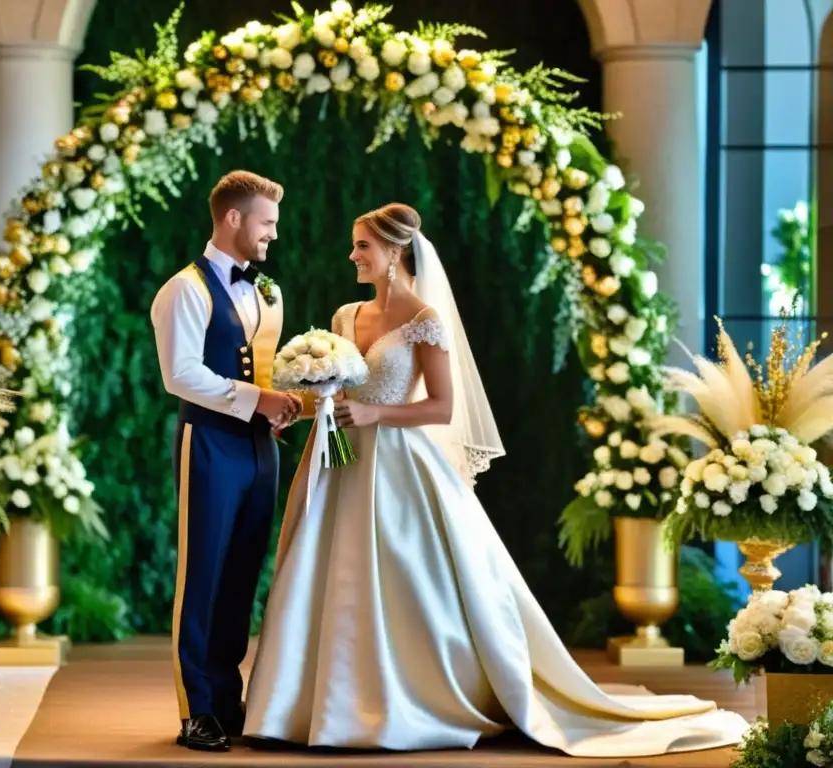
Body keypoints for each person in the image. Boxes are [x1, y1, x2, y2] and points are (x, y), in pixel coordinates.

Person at [242, 203, 750, 756]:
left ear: (394, 251)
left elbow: (440, 407)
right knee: (325, 574)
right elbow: (340, 391)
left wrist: (375, 415)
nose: (353, 255)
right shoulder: (344, 319)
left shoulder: (425, 321)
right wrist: (312, 396)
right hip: (339, 462)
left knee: (407, 579)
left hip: (398, 467)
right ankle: (310, 702)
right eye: (354, 244)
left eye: (362, 245)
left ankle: (407, 697)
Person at [150, 170, 302, 752]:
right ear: (234, 219)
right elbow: (179, 374)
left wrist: (290, 399)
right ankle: (197, 710)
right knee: (203, 576)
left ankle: (228, 698)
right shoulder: (182, 289)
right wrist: (255, 400)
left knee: (242, 574)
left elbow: (260, 368)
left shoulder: (268, 290)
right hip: (209, 444)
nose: (273, 236)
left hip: (261, 447)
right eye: (267, 223)